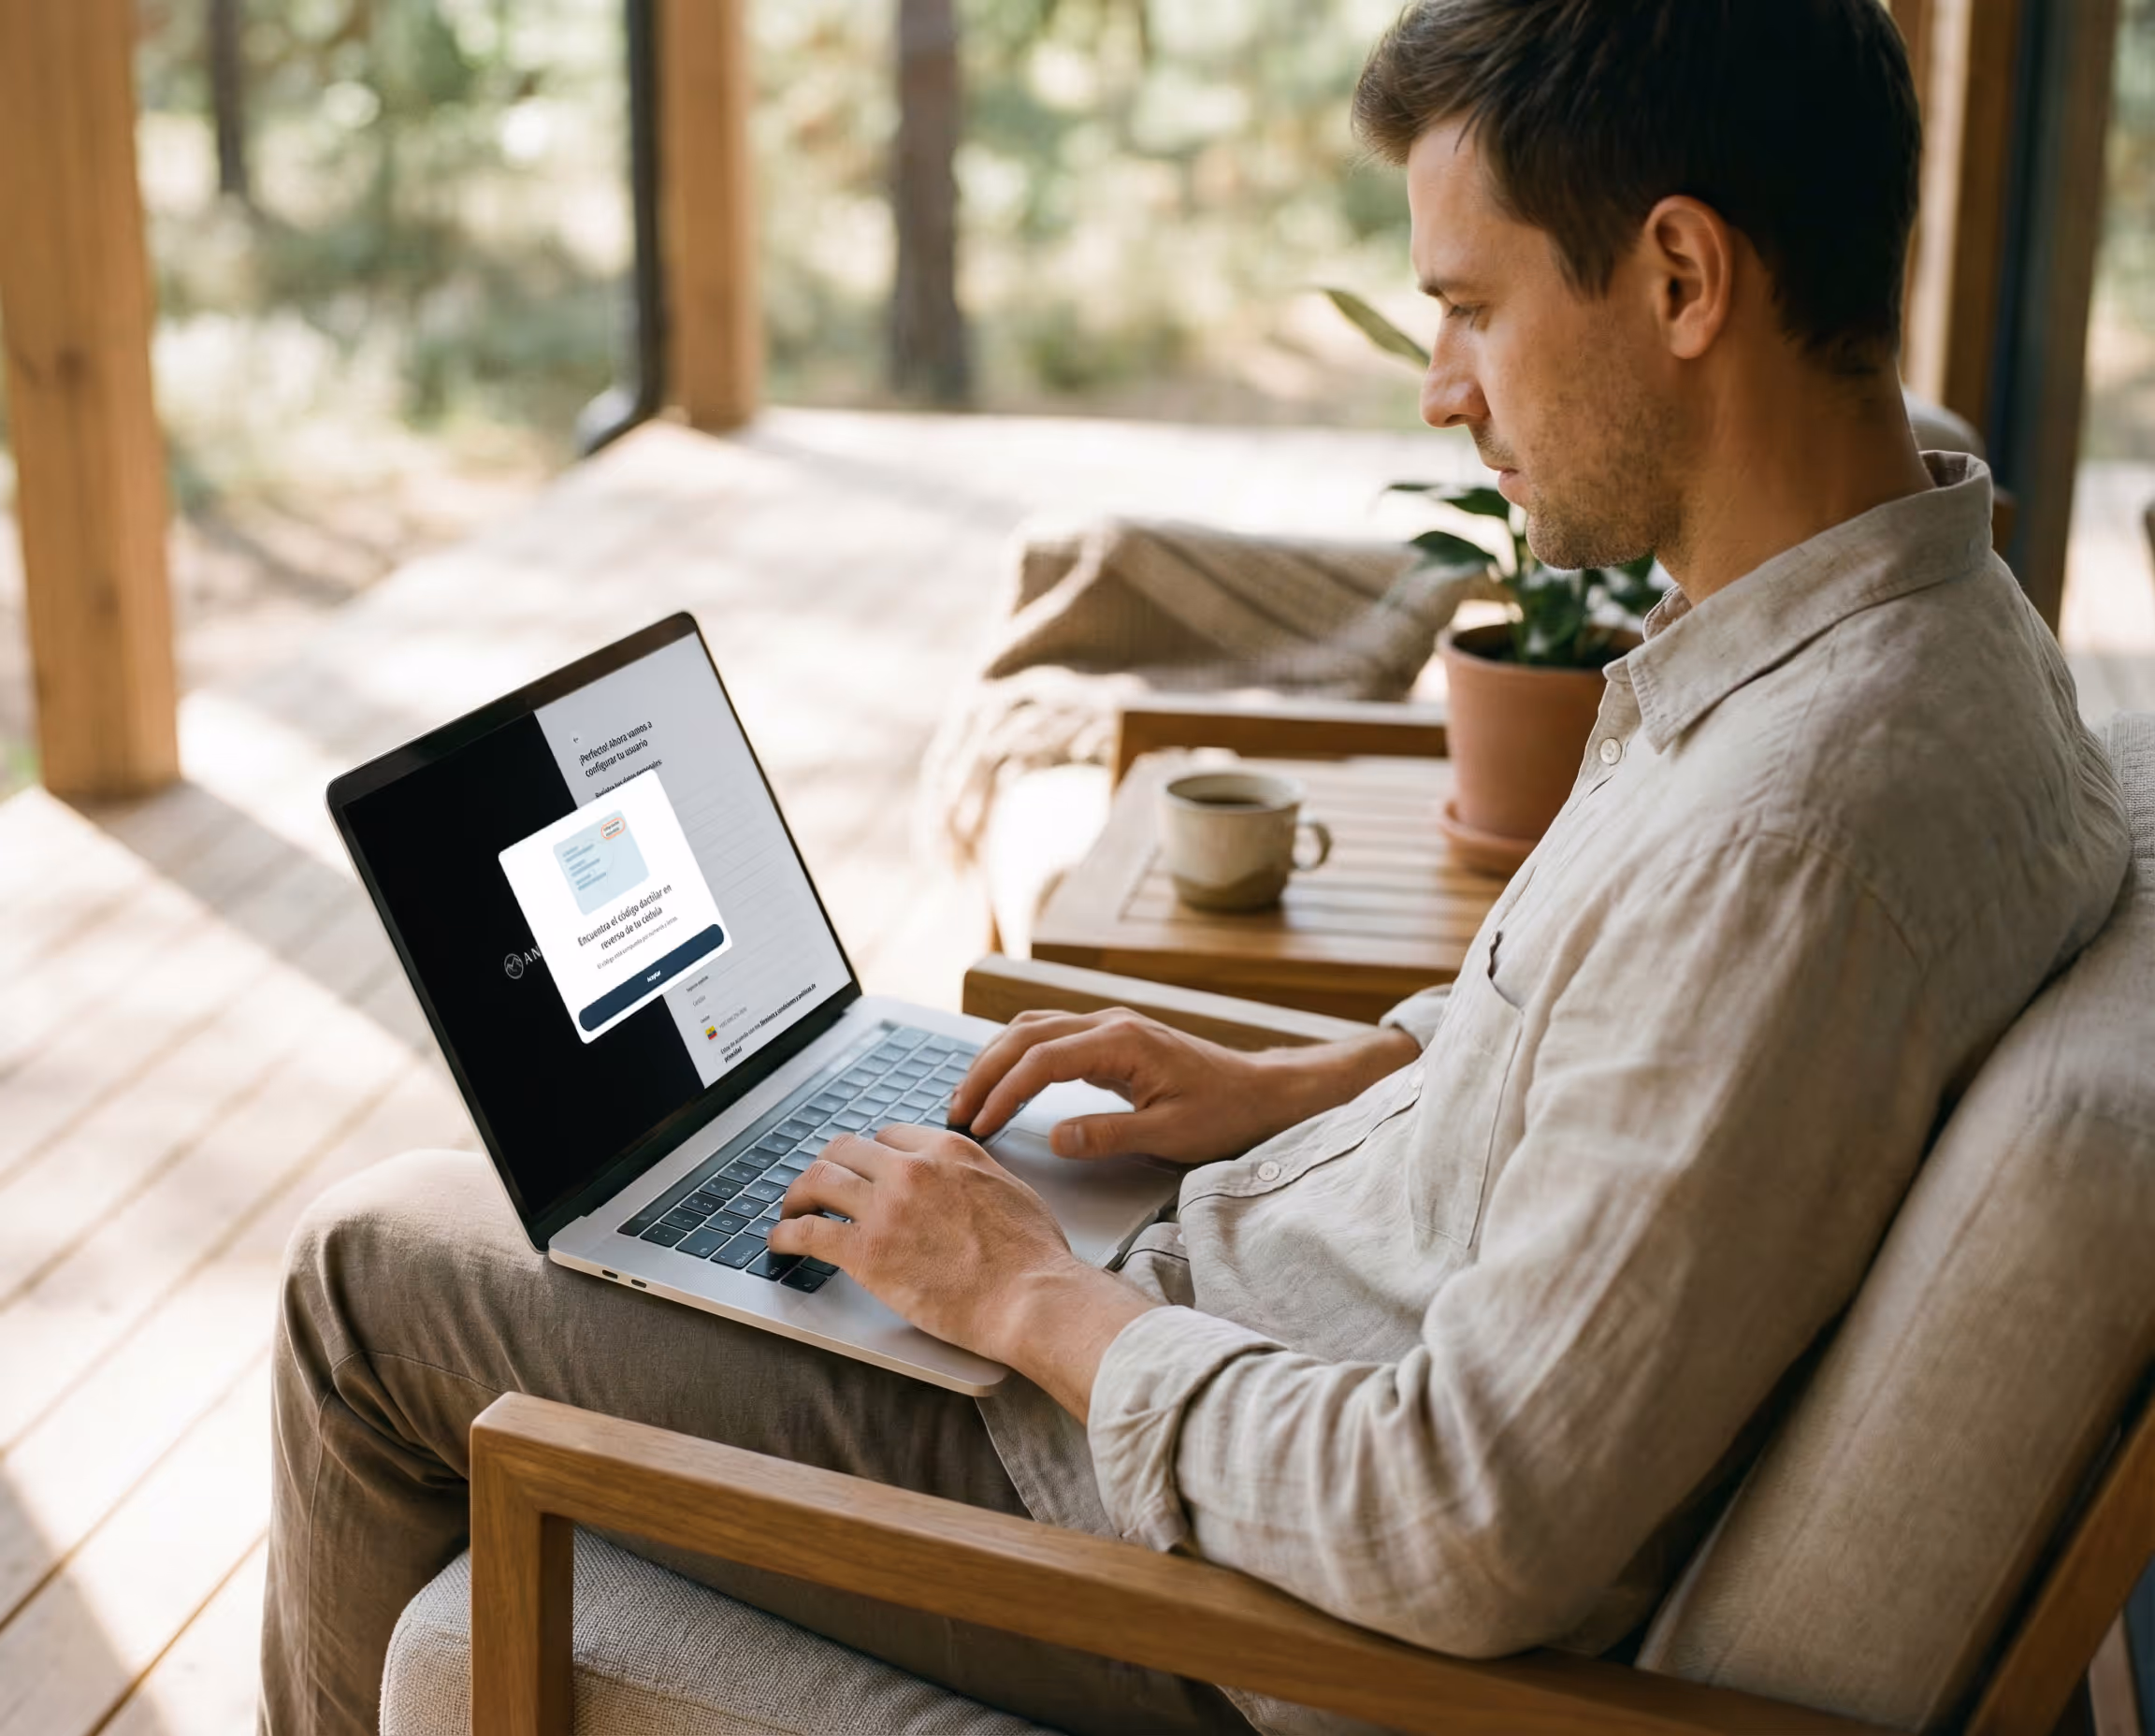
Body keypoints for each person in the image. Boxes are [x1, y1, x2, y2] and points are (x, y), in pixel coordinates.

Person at [260, 2, 2133, 1732]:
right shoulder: (1933, 643)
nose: (1440, 390)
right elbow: (1652, 1078)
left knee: (367, 1272)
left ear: (1678, 275)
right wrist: (1305, 1085)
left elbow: (1468, 1525)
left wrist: (1031, 1300)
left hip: (1207, 1560)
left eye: (1470, 307)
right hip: (1226, 1327)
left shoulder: (1794, 833)